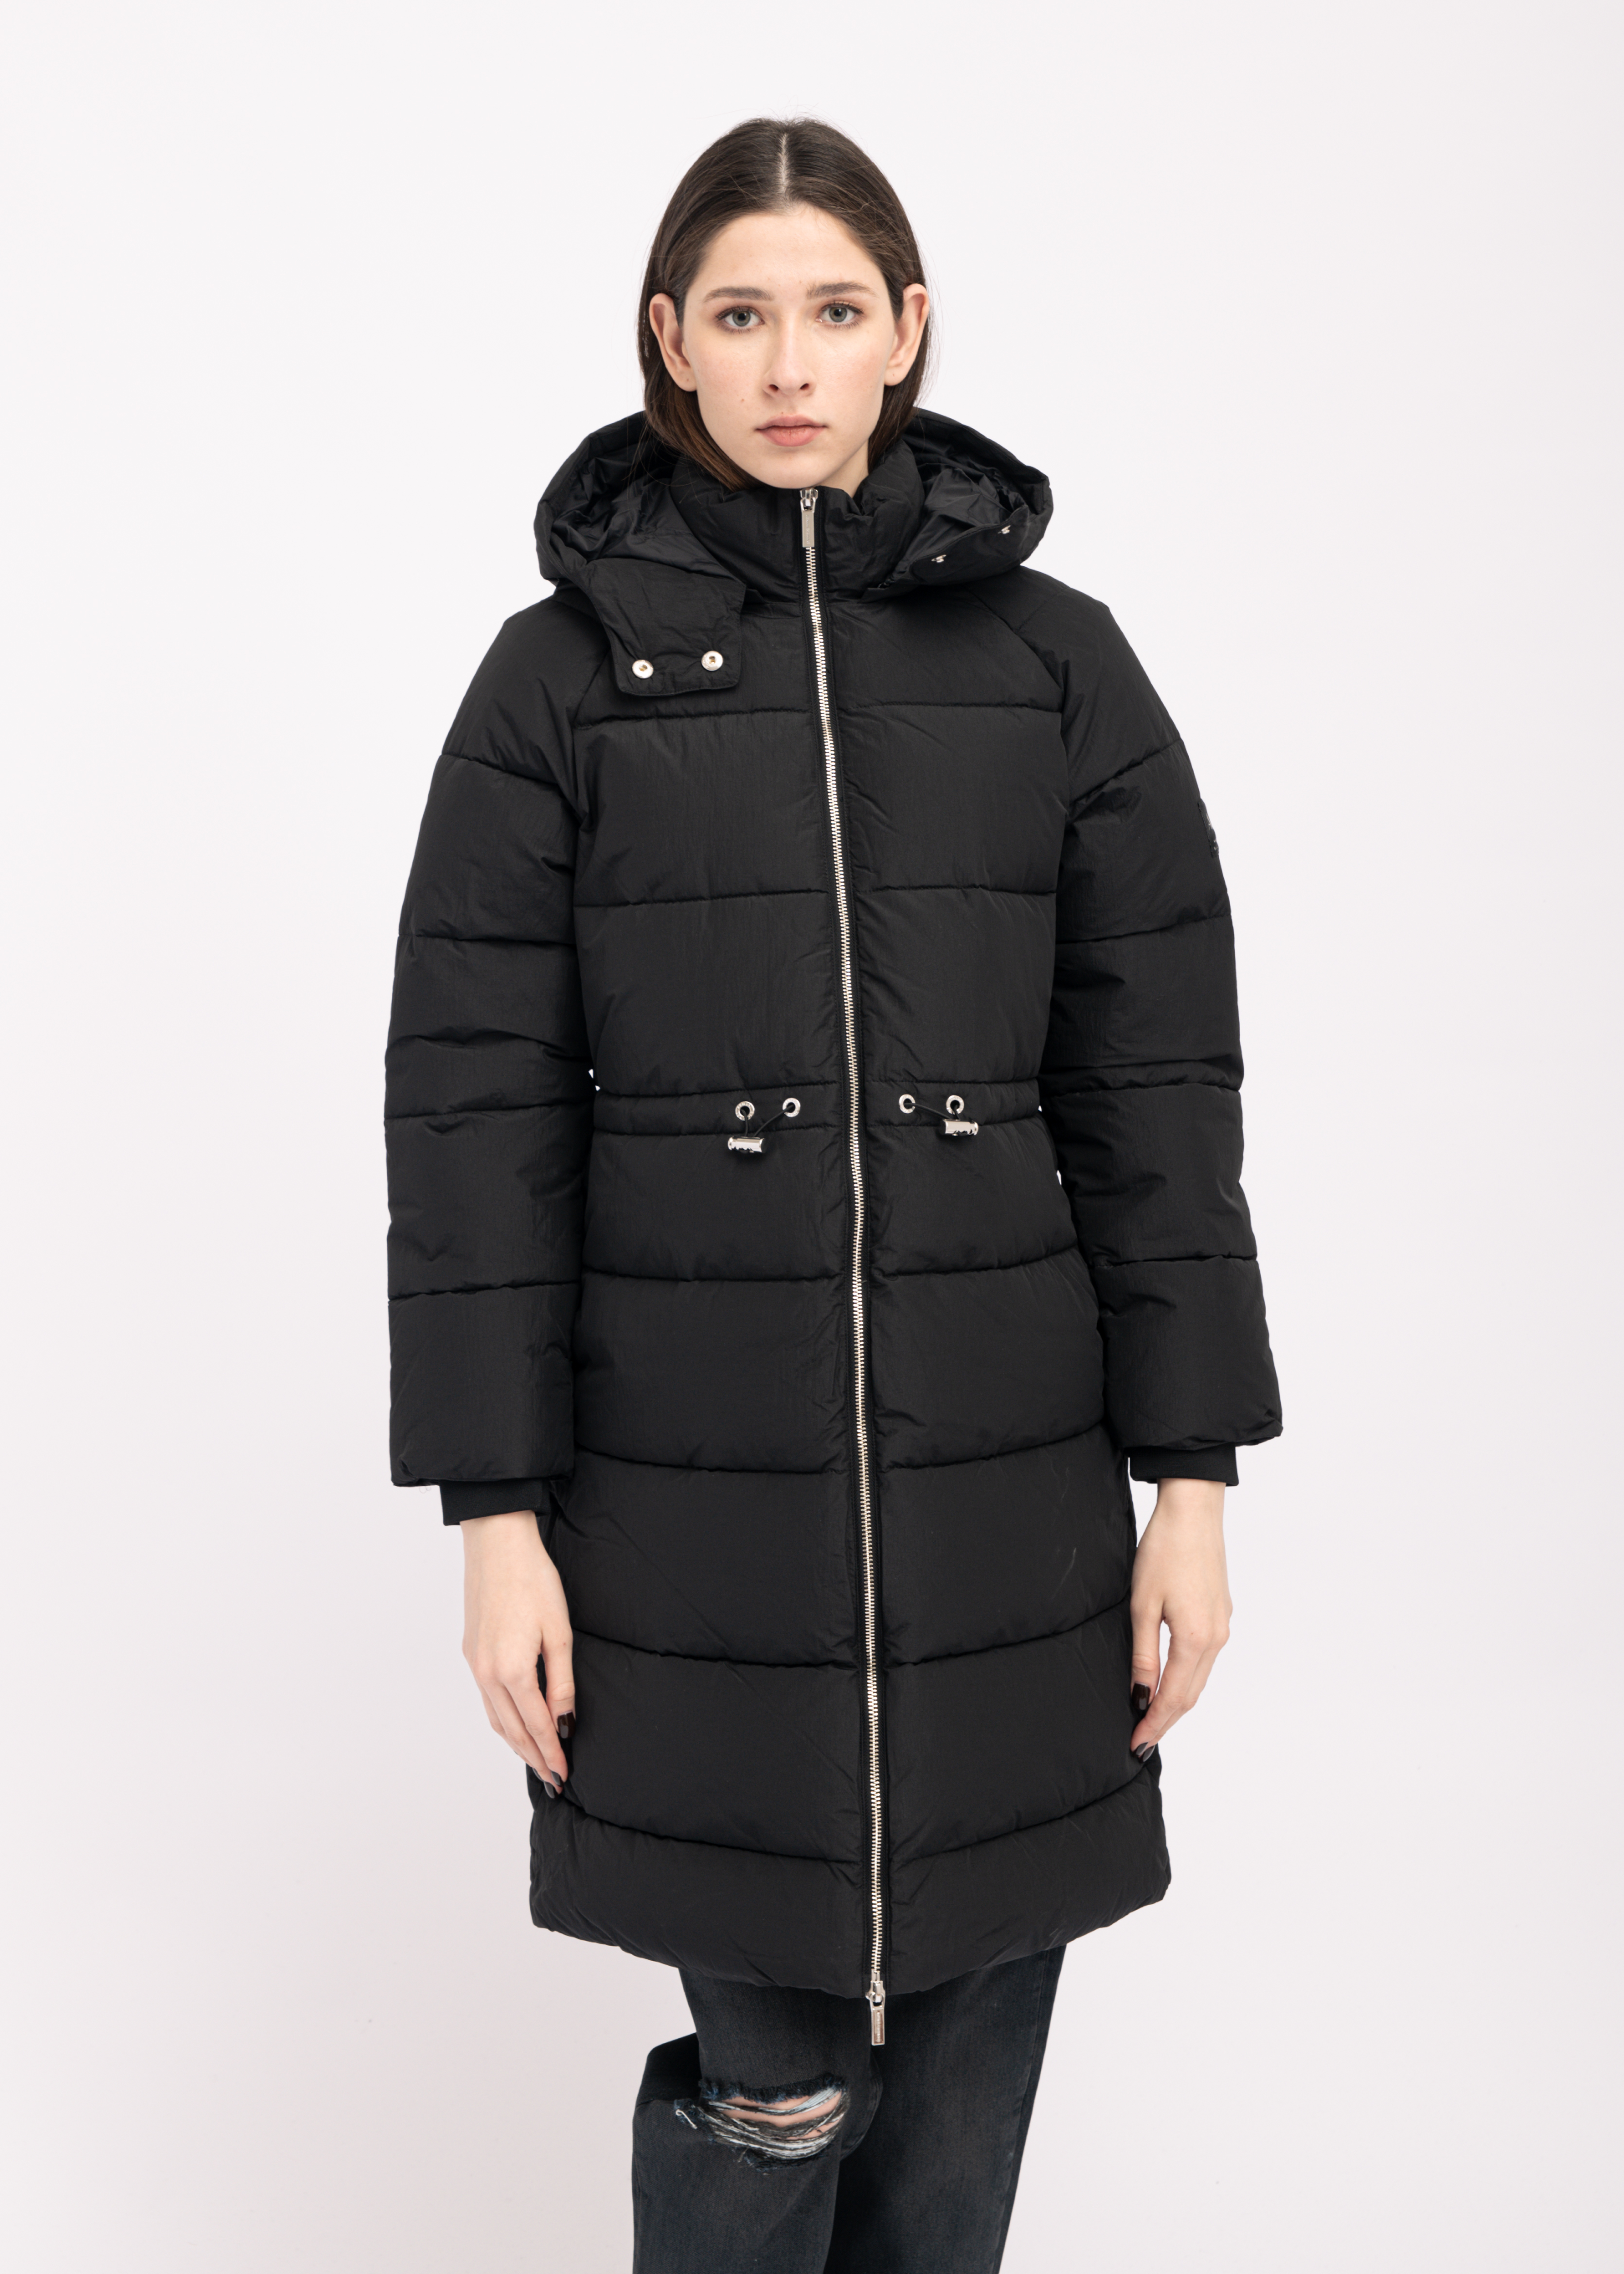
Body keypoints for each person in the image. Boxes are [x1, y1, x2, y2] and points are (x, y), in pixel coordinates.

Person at [385, 114, 1281, 2274]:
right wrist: (495, 1514)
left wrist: (1191, 1482)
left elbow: (1156, 1091)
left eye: (833, 309)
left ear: (907, 330)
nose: (789, 361)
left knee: (956, 2136)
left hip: (1010, 1496)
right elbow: (473, 1111)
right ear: (668, 340)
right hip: (688, 1503)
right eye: (741, 313)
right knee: (772, 2089)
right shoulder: (552, 685)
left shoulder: (1058, 668)